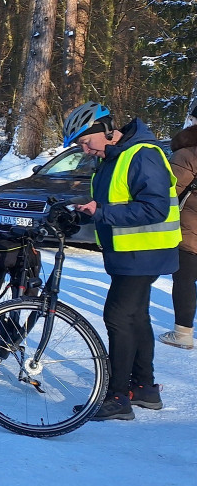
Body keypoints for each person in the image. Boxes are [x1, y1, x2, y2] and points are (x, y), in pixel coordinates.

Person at [69, 102, 180, 420]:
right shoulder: (113, 157)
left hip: (144, 252)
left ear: (104, 132)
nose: (86, 150)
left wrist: (102, 212)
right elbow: (109, 201)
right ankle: (144, 387)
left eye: (86, 142)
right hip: (129, 253)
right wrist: (84, 212)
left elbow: (155, 208)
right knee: (136, 317)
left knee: (117, 316)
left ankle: (117, 397)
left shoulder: (142, 154)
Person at [163, 120, 197, 349]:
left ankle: (183, 333)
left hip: (190, 230)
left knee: (184, 280)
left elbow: (168, 191)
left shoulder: (187, 154)